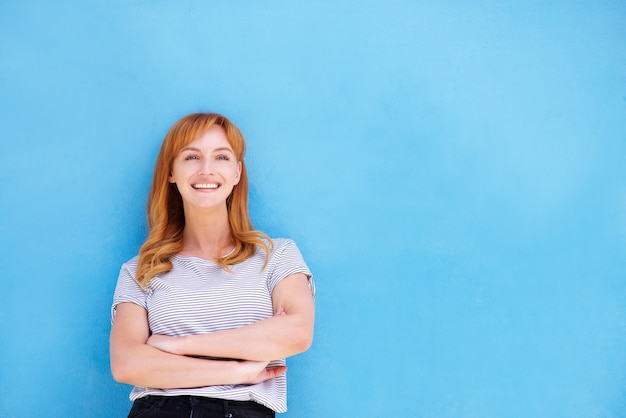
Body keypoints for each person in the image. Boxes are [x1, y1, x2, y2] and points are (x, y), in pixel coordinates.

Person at [110, 112, 316, 418]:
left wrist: (180, 346)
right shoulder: (141, 269)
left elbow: (296, 334)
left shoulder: (277, 255)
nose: (206, 170)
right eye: (192, 157)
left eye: (221, 157)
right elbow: (127, 364)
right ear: (171, 172)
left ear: (236, 172)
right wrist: (239, 372)